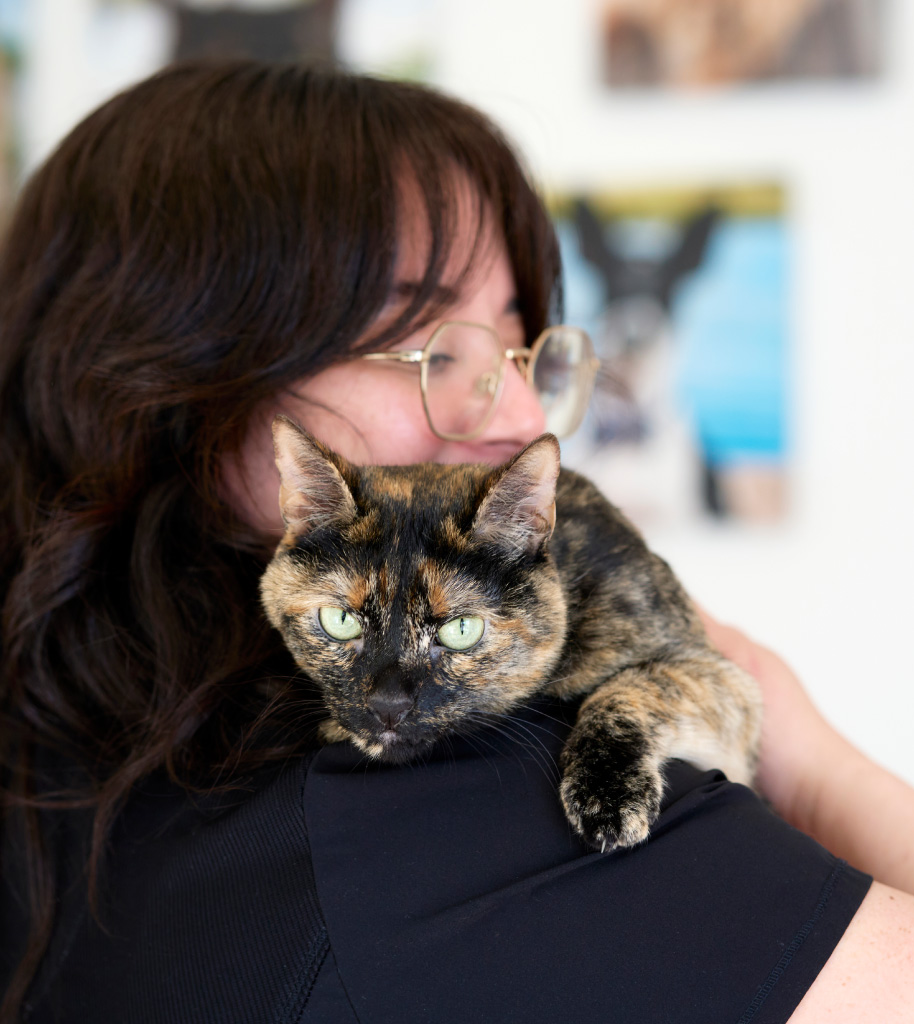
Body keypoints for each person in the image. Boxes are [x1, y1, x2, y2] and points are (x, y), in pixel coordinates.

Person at [0, 59, 912, 1024]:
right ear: (179, 386)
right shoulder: (490, 803)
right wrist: (807, 762)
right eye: (435, 350)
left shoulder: (60, 756)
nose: (520, 413)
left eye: (522, 348)